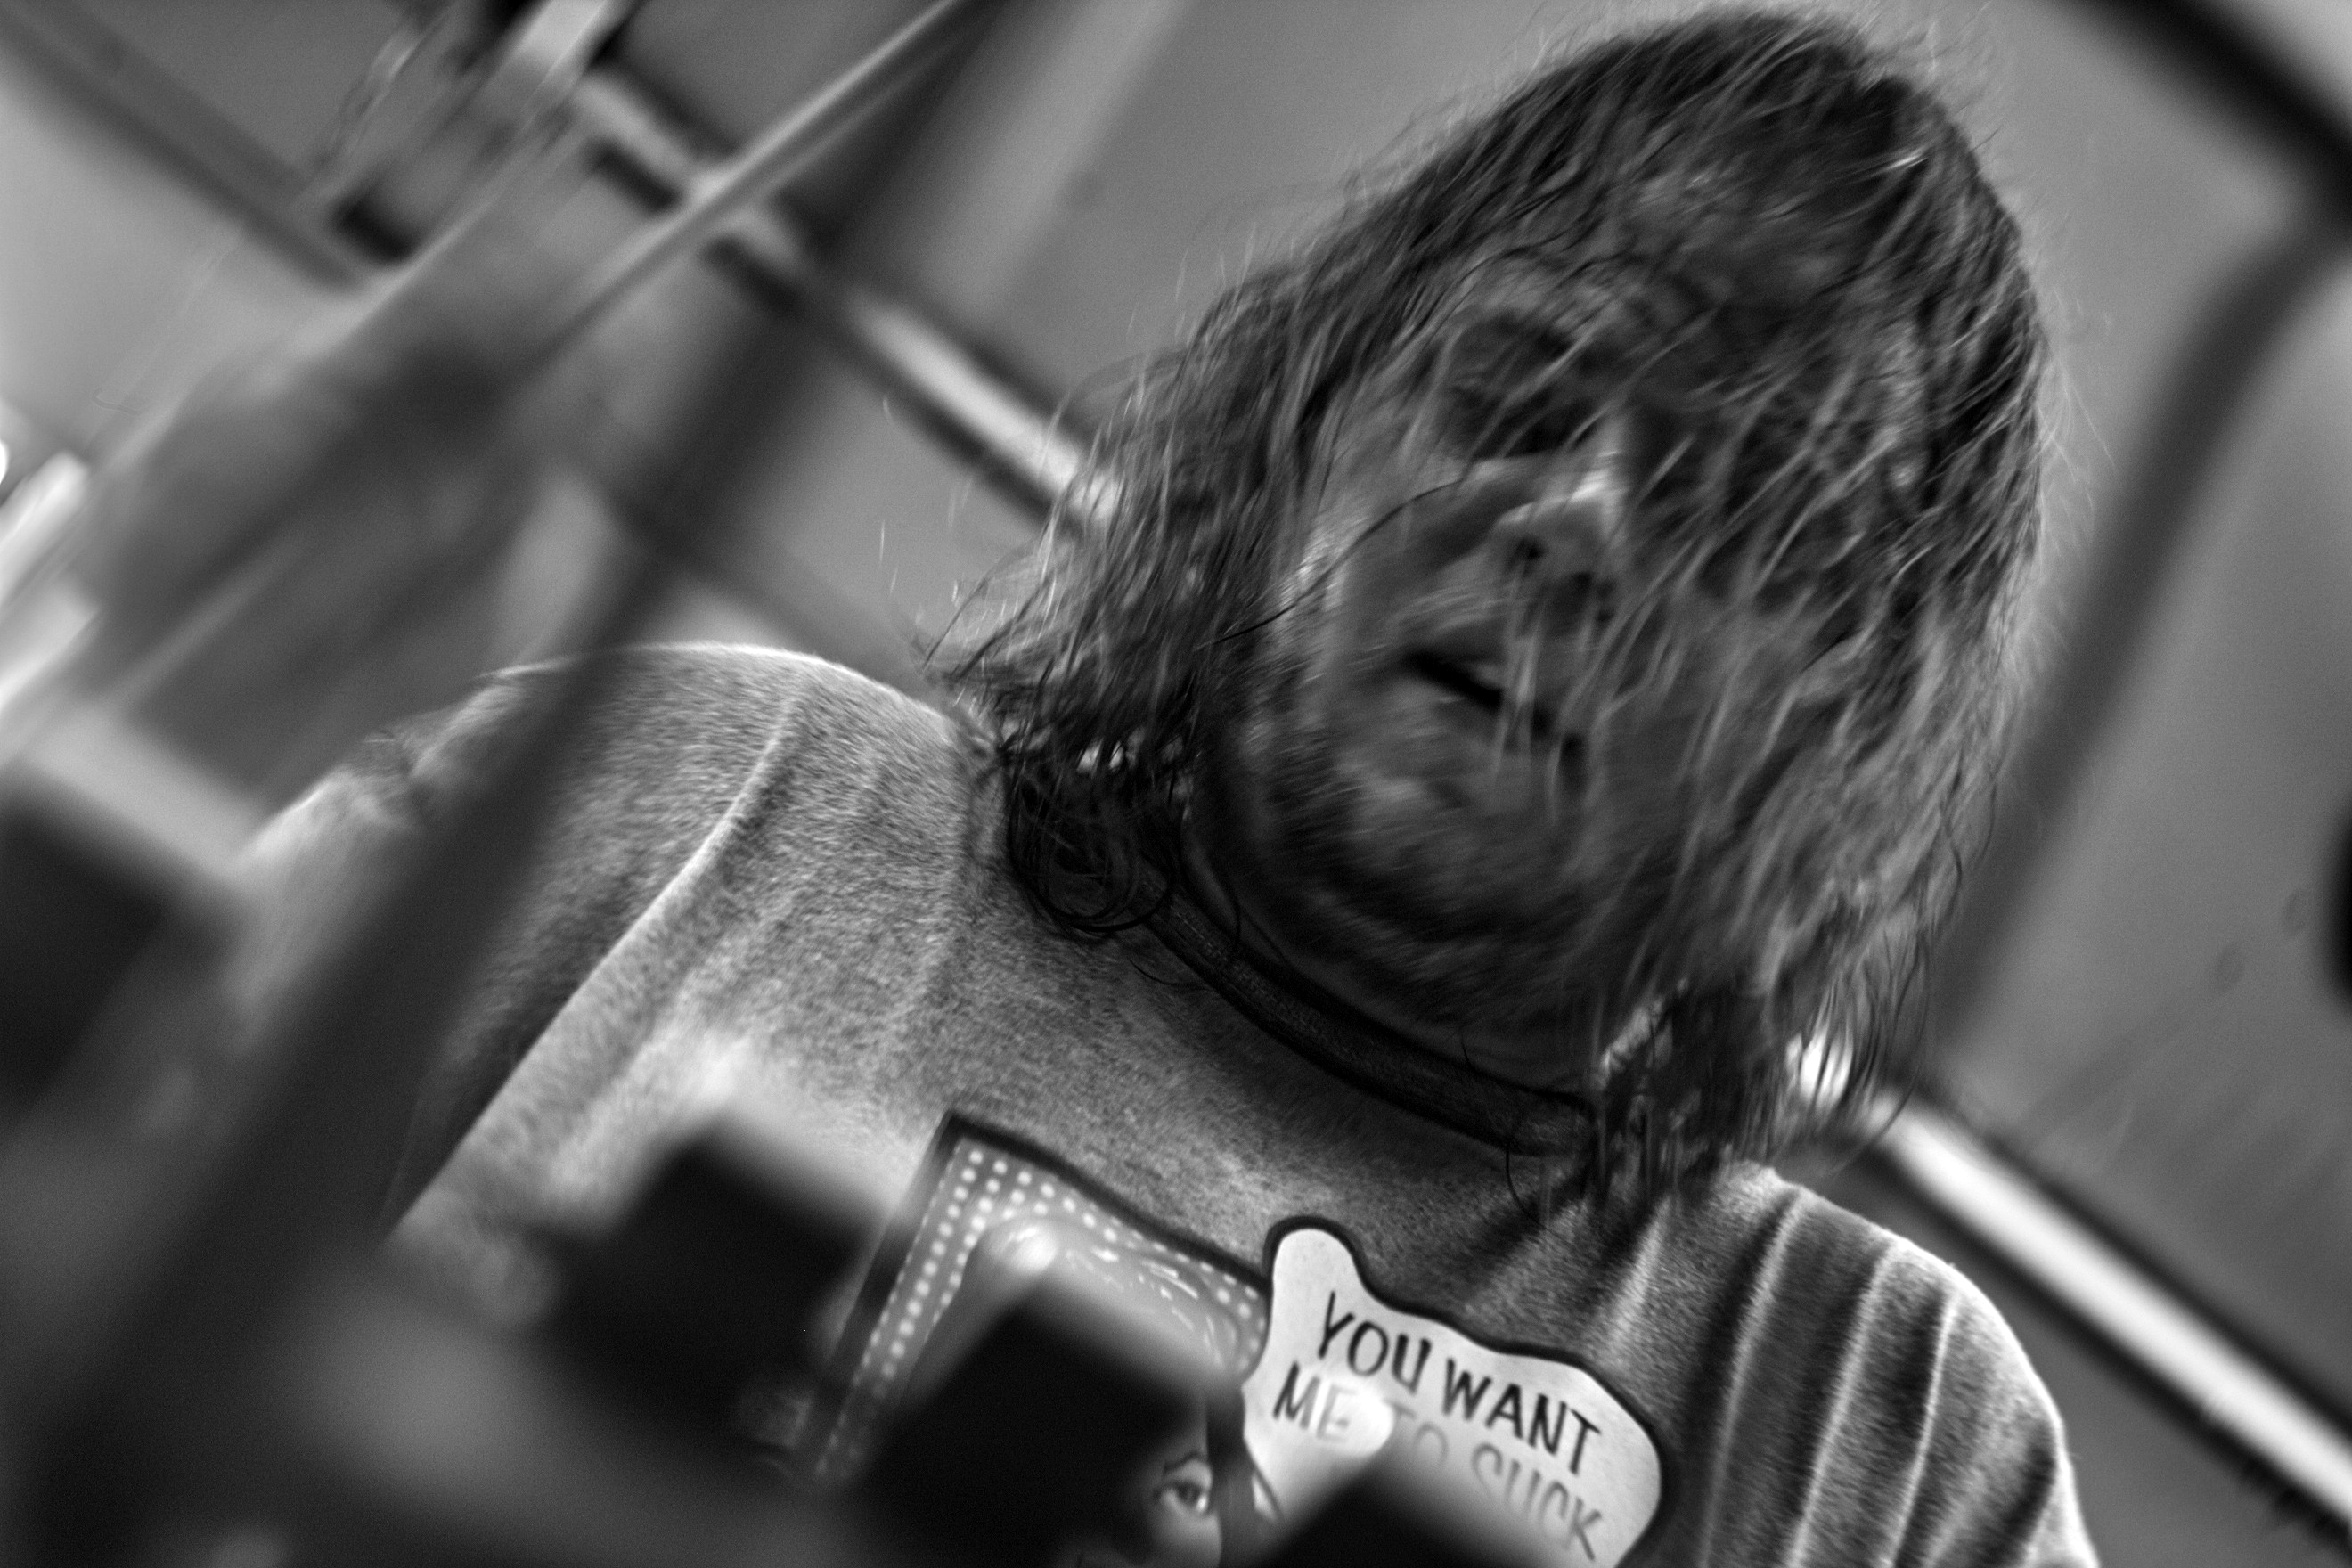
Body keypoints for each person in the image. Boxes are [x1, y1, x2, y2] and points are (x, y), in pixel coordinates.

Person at [241, 10, 2095, 1565]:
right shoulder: (687, 798)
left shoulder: (1892, 1430)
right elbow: (110, 1187)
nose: (1577, 519)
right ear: (1294, 434)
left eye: (1733, 505)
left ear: (1850, 718)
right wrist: (168, 662)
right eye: (1516, 402)